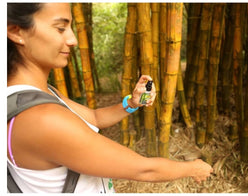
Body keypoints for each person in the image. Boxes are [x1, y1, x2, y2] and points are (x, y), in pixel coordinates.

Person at [7, 3, 213, 193]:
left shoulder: (32, 94)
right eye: (60, 28)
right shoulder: (40, 118)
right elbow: (143, 170)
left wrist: (131, 103)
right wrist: (193, 169)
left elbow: (94, 118)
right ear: (16, 31)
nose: (73, 40)